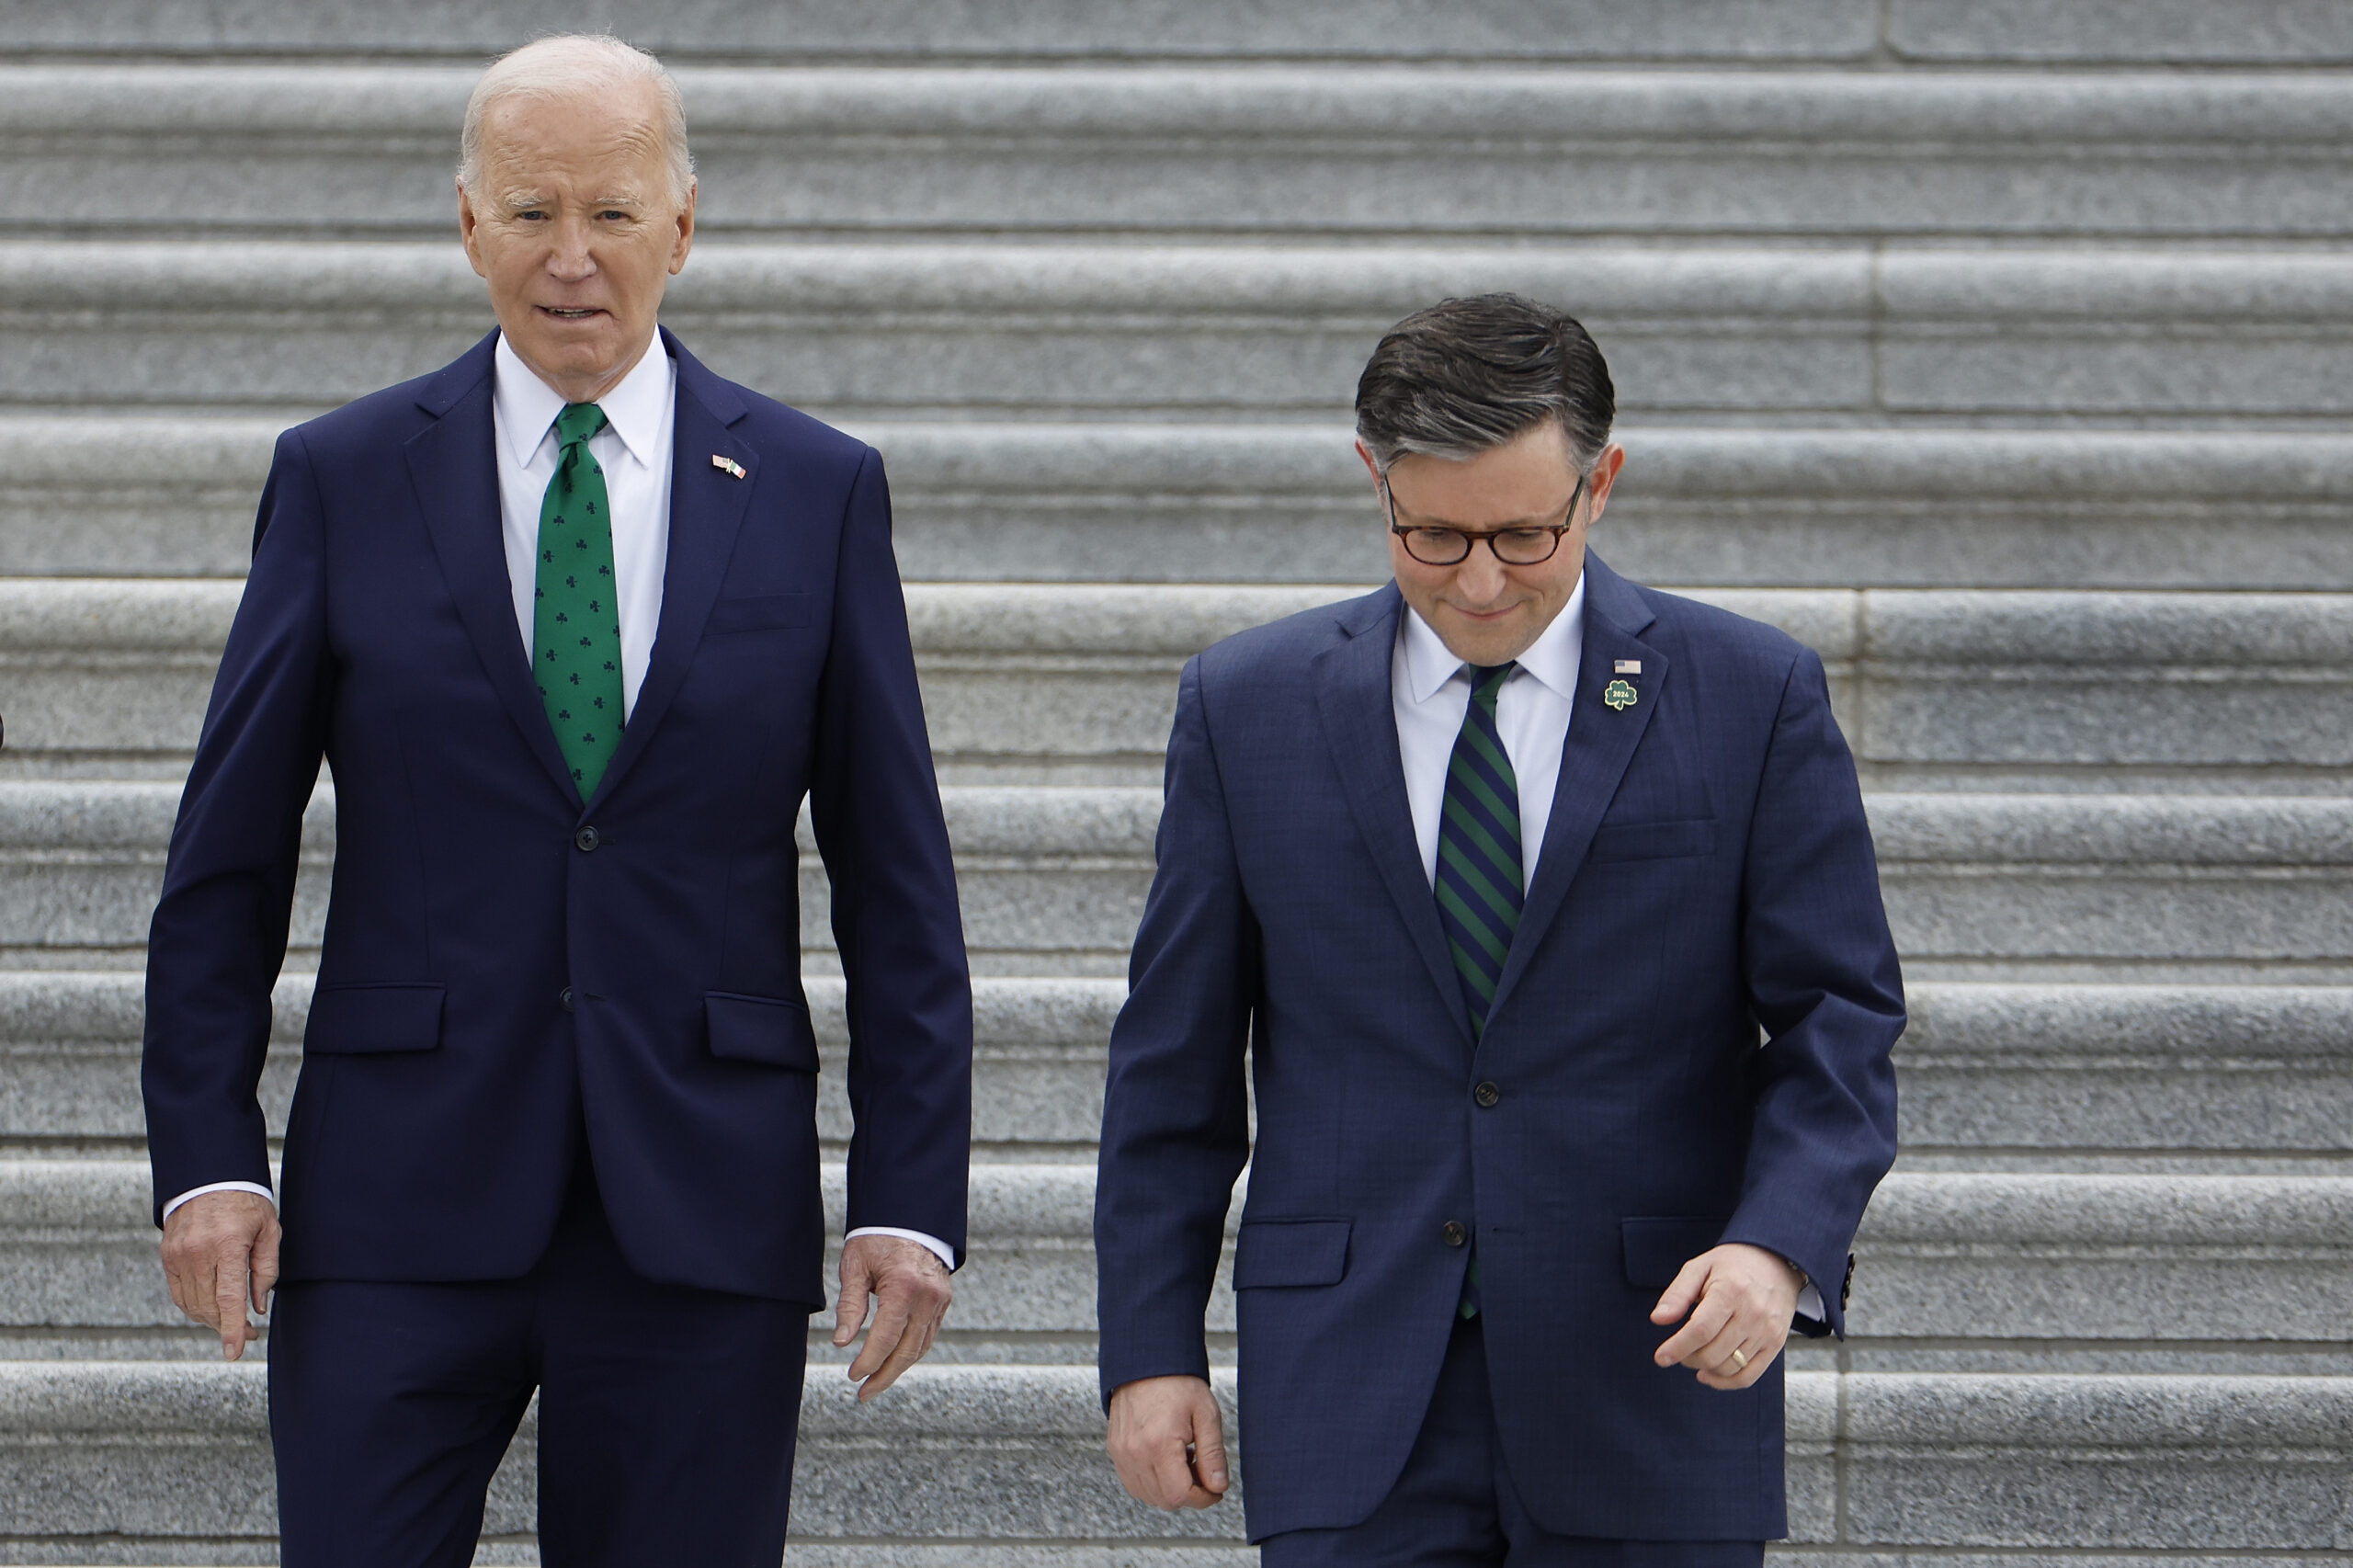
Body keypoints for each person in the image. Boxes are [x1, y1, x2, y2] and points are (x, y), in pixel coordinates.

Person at [142, 35, 972, 1568]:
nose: (571, 259)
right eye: (530, 213)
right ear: (468, 228)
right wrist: (209, 1154)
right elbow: (226, 859)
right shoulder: (341, 476)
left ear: (684, 225)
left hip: (699, 1205)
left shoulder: (813, 486)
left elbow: (896, 876)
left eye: (610, 212)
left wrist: (908, 1195)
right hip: (396, 1200)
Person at [1094, 293, 1903, 1564]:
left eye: (1525, 535)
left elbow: (1838, 1020)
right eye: (1434, 534)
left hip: (1647, 1378)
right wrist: (1149, 1349)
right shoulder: (1244, 706)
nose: (1478, 582)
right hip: (1349, 1389)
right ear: (1374, 480)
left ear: (1603, 483)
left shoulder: (1751, 696)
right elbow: (1171, 1069)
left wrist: (1774, 1241)